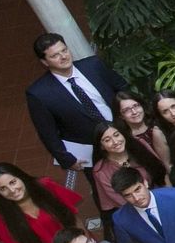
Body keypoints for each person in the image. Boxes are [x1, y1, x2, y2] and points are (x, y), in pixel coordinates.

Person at [24, 32, 130, 174]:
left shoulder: (93, 65)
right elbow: (47, 133)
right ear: (44, 62)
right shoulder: (39, 93)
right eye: (55, 55)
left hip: (125, 132)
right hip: (93, 151)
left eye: (64, 50)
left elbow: (121, 88)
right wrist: (66, 159)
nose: (63, 56)